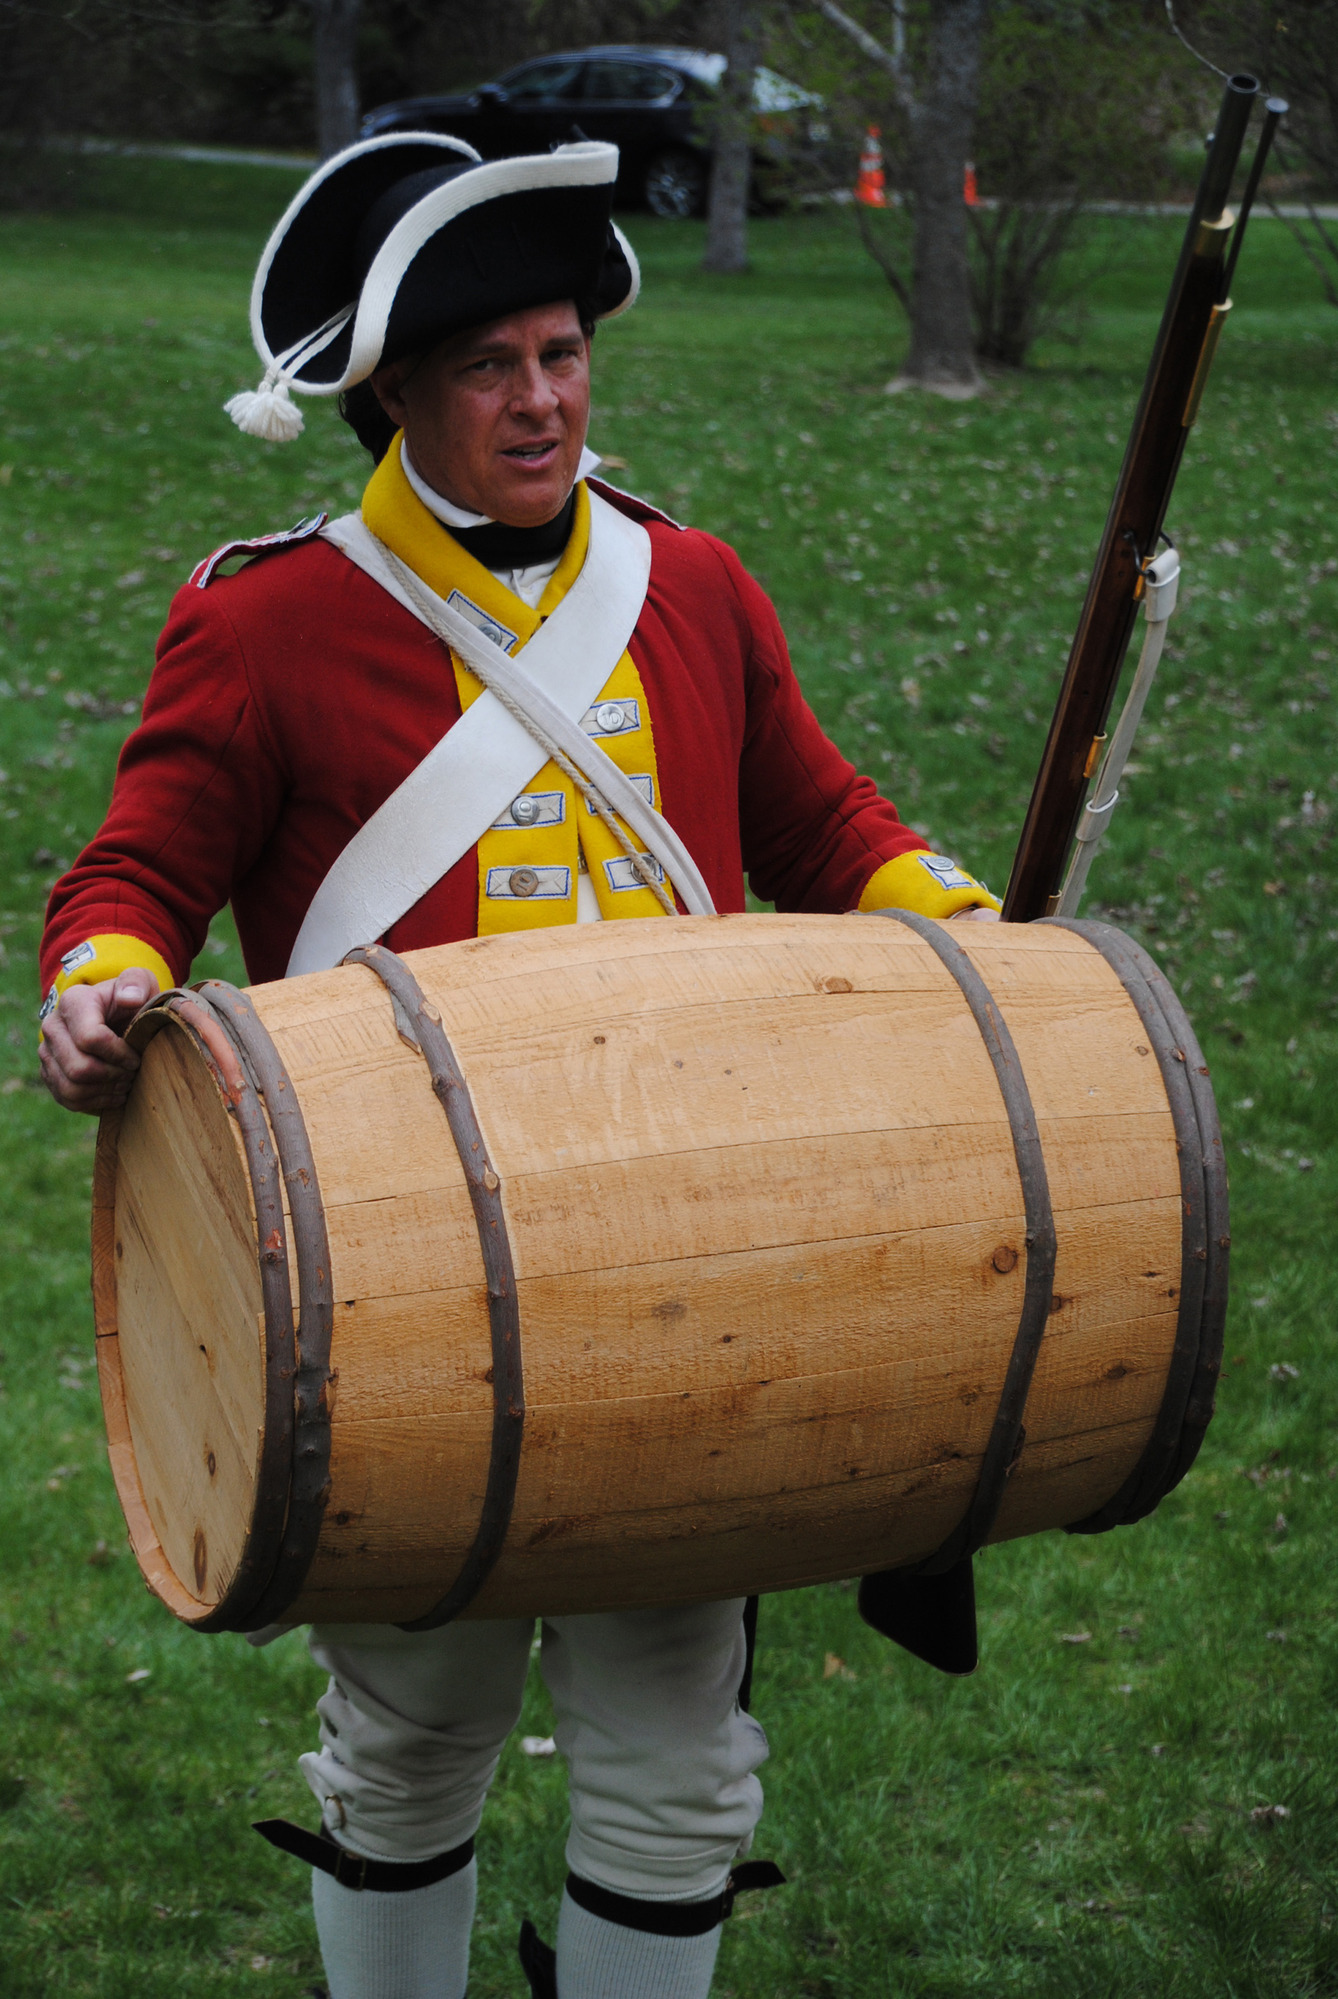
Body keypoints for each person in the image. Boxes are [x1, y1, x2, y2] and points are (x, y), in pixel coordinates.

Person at [39, 133, 1000, 1999]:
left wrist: (964, 924)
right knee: (410, 1737)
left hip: (683, 1248)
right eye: (494, 367)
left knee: (672, 1751)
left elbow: (819, 824)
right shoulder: (265, 622)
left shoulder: (694, 587)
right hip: (404, 1269)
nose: (543, 399)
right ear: (394, 392)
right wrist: (104, 979)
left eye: (563, 355)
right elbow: (137, 868)